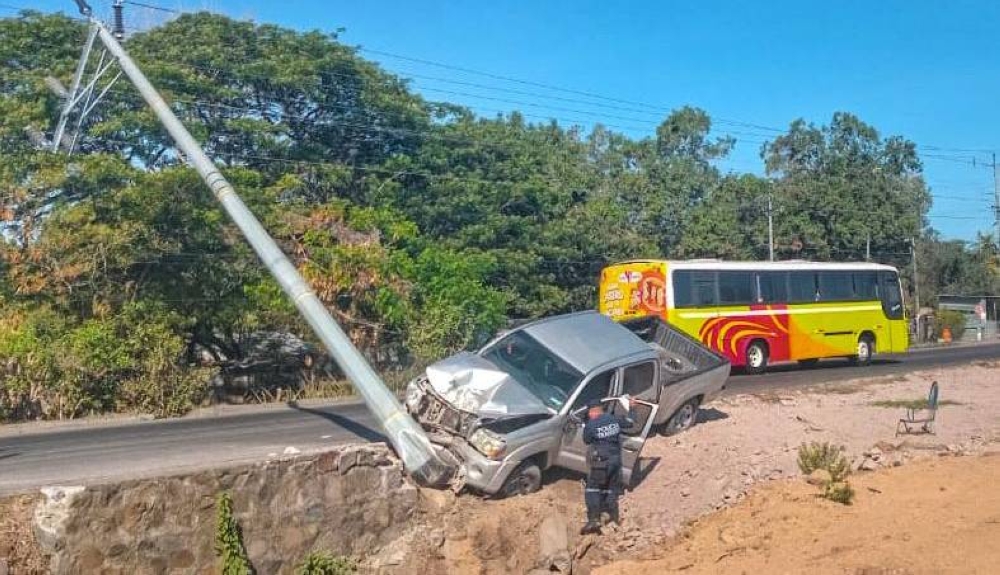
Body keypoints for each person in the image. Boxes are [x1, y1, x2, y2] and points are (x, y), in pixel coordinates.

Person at [580, 396, 636, 535]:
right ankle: (611, 516)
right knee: (610, 488)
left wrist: (589, 426)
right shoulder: (614, 419)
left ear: (592, 412)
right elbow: (630, 422)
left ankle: (594, 519)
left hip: (601, 461)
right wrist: (632, 408)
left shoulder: (591, 425)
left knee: (592, 489)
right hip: (616, 461)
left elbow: (586, 440)